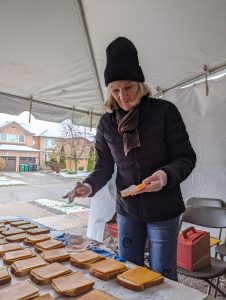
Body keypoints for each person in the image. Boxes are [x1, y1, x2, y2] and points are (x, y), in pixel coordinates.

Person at [64, 37, 196, 281]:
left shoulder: (164, 113)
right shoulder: (106, 124)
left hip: (163, 208)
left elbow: (186, 158)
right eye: (115, 90)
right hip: (127, 211)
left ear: (140, 84)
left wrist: (164, 175)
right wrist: (88, 185)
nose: (122, 97)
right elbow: (104, 166)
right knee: (127, 272)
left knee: (162, 275)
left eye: (128, 88)